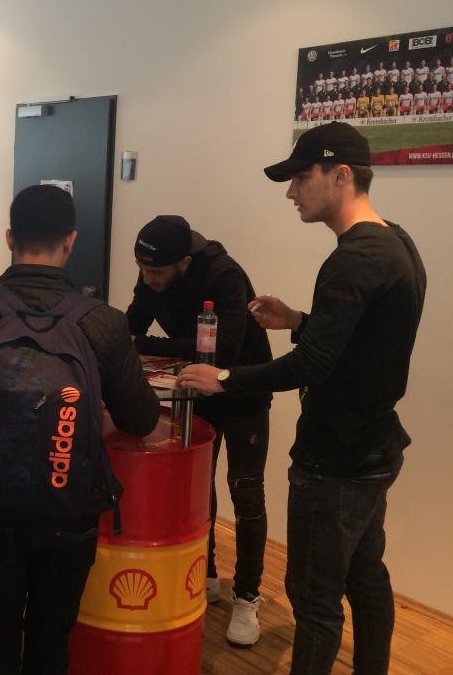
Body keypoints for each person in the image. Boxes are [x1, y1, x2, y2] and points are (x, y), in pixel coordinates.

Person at [178, 122, 426, 675]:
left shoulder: (353, 259)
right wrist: (298, 320)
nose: (291, 192)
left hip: (335, 460)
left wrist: (224, 379)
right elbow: (364, 343)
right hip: (375, 448)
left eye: (300, 177)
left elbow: (312, 365)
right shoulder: (395, 241)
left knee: (315, 599)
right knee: (367, 578)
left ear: (341, 175)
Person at [0, 185, 159, 675]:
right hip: (72, 506)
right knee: (52, 638)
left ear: (10, 237)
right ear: (71, 240)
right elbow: (141, 420)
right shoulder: (104, 323)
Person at [126, 215, 273, 646]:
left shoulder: (224, 275)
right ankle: (204, 574)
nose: (148, 280)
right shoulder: (151, 275)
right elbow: (131, 325)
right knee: (198, 487)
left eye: (156, 272)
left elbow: (220, 351)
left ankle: (247, 595)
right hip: (197, 392)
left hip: (243, 392)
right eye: (141, 270)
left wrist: (144, 345)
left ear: (184, 263)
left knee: (246, 493)